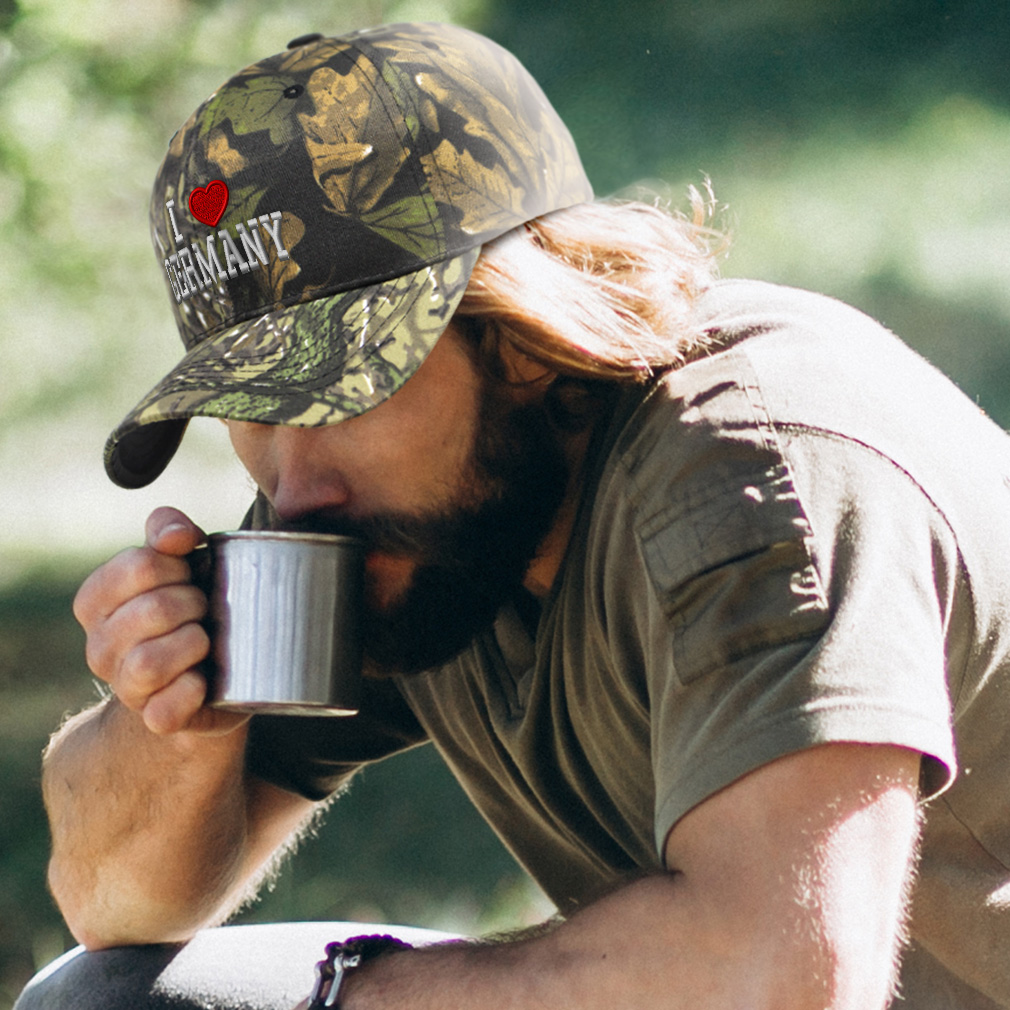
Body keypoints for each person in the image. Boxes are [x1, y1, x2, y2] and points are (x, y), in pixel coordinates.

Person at [29, 19, 1010, 1010]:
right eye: (252, 411)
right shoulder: (400, 515)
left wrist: (355, 1000)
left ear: (524, 334)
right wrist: (175, 732)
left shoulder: (752, 475)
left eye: (337, 393)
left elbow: (779, 977)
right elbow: (107, 904)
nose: (292, 488)